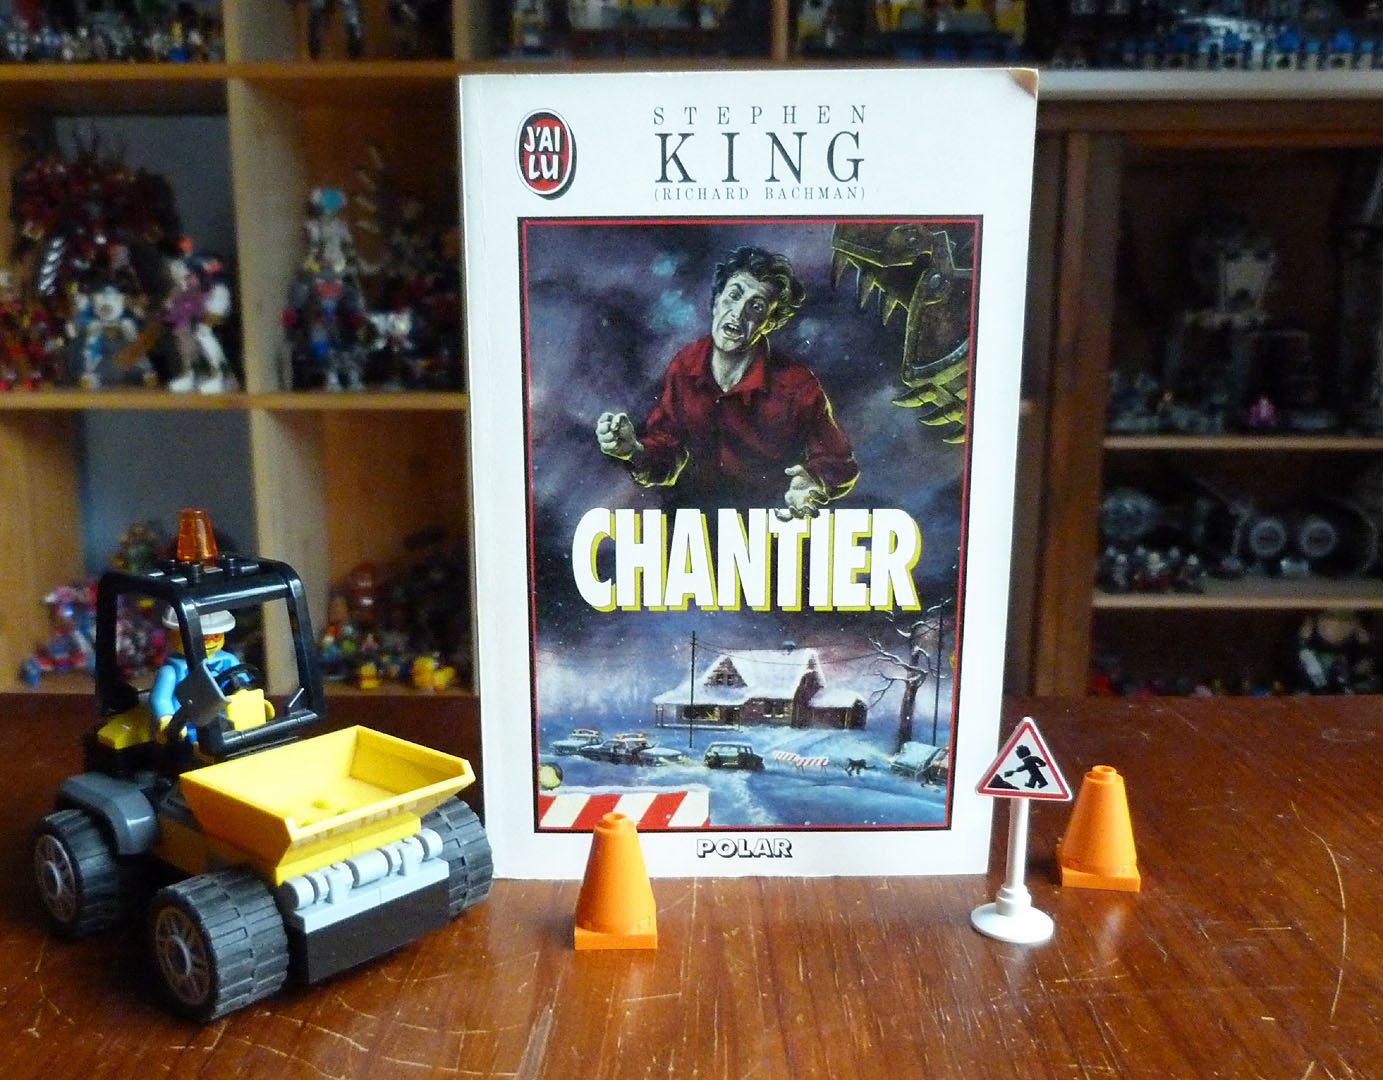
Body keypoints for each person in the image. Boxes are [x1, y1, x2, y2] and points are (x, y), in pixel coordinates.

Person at [596, 246, 858, 516]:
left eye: (756, 306)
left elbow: (839, 462)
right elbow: (667, 451)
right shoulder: (686, 365)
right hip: (695, 521)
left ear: (769, 323)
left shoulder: (796, 386)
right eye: (734, 295)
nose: (738, 313)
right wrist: (633, 451)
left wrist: (812, 481)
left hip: (770, 523)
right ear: (716, 300)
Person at [150, 608, 241, 730]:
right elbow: (160, 699)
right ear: (173, 636)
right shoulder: (171, 671)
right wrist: (167, 720)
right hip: (188, 725)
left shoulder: (229, 660)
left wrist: (247, 698)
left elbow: (242, 684)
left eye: (216, 636)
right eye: (203, 638)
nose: (210, 643)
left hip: (227, 719)